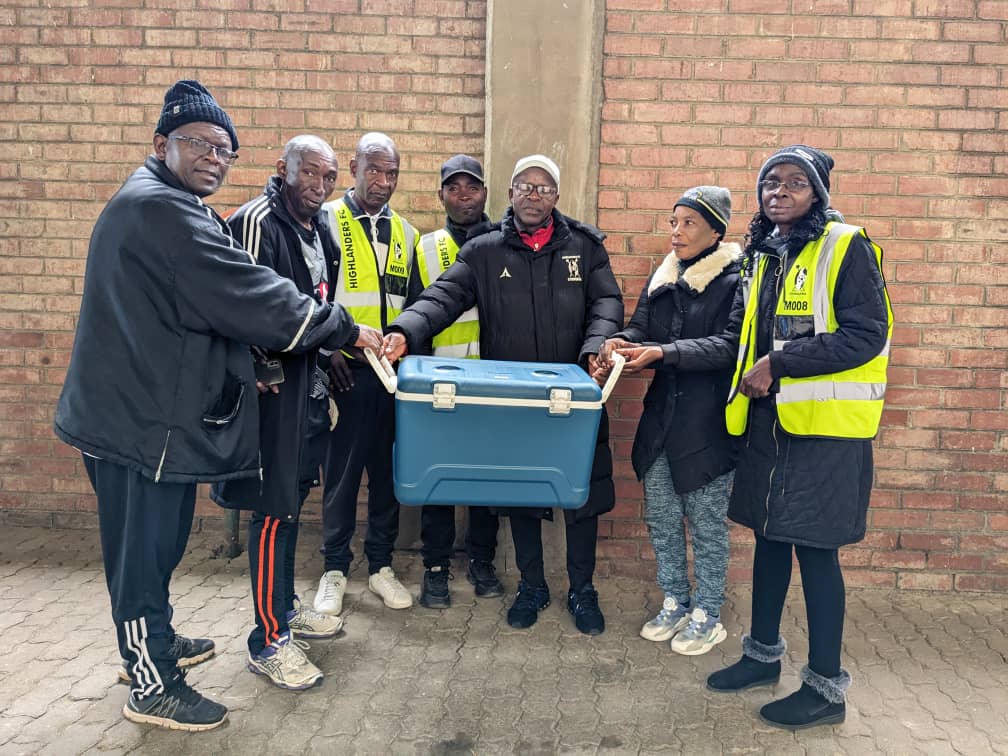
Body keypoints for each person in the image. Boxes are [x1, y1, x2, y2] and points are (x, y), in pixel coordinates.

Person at [53, 81, 382, 732]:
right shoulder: (162, 212)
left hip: (149, 416)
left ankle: (154, 639)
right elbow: (252, 293)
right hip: (136, 422)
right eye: (199, 143)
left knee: (157, 543)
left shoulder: (170, 204)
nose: (213, 157)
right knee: (142, 550)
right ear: (161, 145)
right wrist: (342, 328)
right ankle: (151, 684)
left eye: (223, 149)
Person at [384, 154, 623, 636]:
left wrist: (596, 349)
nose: (534, 195)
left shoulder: (584, 247)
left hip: (574, 396)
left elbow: (607, 302)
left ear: (557, 197)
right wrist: (405, 330)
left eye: (544, 188)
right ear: (510, 194)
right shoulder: (484, 250)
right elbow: (441, 297)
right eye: (525, 187)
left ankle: (582, 589)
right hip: (518, 402)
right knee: (523, 492)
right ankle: (531, 587)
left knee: (583, 496)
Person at [701, 146, 892, 729]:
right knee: (769, 540)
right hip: (769, 428)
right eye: (769, 183)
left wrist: (781, 365)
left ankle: (826, 692)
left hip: (826, 434)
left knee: (816, 552)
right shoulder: (765, 254)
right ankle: (761, 657)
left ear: (818, 194)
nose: (778, 192)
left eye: (794, 183)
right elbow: (741, 338)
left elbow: (867, 334)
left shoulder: (845, 246)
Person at [211, 135, 353, 690]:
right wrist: (256, 369)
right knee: (271, 510)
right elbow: (235, 304)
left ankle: (286, 608)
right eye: (309, 175)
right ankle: (268, 642)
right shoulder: (256, 221)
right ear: (282, 169)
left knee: (291, 501)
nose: (318, 188)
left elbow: (318, 306)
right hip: (271, 395)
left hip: (307, 391)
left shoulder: (319, 229)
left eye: (328, 179)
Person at [596, 186, 741, 656]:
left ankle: (709, 612)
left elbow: (729, 346)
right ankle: (676, 599)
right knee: (661, 516)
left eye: (689, 223)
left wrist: (664, 353)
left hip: (707, 426)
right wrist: (620, 342)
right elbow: (641, 329)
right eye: (673, 221)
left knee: (705, 523)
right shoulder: (664, 276)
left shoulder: (736, 280)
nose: (676, 232)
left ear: (716, 231)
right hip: (661, 421)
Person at [314, 132, 420, 617]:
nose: (383, 181)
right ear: (353, 167)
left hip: (390, 378)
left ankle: (381, 567)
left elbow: (415, 307)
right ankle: (334, 569)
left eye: (392, 173)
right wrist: (327, 348)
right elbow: (310, 294)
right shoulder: (325, 220)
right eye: (374, 170)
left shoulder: (407, 233)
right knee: (340, 475)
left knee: (386, 475)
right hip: (343, 373)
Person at [409, 155, 502, 609]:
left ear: (487, 192)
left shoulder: (505, 243)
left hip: (493, 381)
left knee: (488, 477)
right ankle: (436, 568)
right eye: (454, 187)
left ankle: (483, 562)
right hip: (441, 382)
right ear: (441, 195)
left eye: (473, 186)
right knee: (440, 478)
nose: (464, 195)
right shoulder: (425, 247)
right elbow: (415, 313)